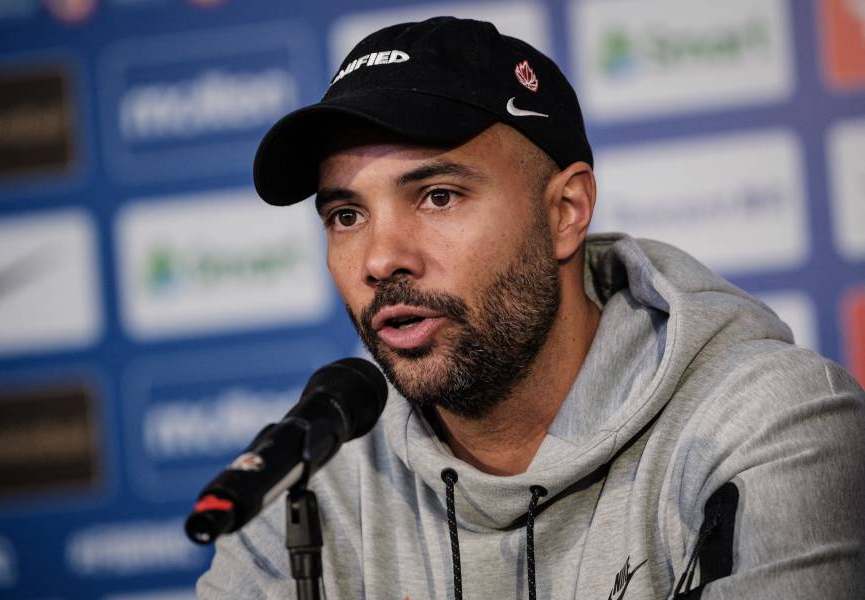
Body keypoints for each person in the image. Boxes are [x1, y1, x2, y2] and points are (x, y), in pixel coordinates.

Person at [198, 16, 865, 599]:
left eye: (437, 197)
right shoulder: (301, 489)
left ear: (566, 212)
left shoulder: (769, 426)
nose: (380, 259)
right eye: (346, 215)